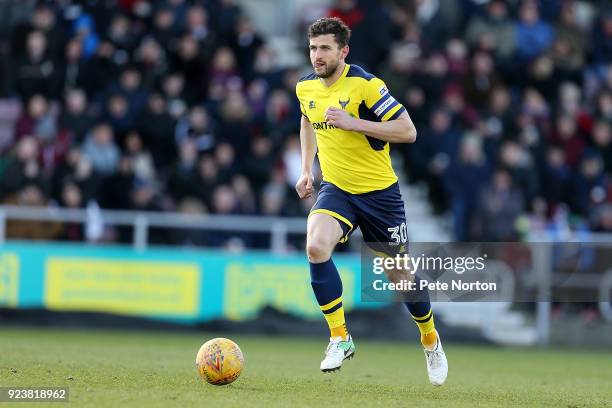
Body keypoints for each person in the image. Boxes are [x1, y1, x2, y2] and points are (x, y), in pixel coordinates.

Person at [294, 17, 448, 385]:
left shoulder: (365, 85)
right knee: (316, 247)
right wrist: (305, 169)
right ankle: (339, 337)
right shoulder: (305, 87)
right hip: (337, 189)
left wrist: (355, 123)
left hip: (380, 195)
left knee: (400, 277)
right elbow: (307, 121)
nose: (317, 55)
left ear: (343, 51)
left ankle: (430, 339)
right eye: (313, 48)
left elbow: (408, 131)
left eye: (325, 48)